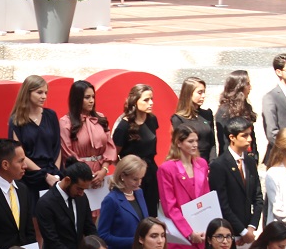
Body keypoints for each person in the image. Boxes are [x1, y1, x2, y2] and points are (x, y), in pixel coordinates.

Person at [97, 155, 149, 249]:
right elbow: (103, 235)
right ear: (122, 176)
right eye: (135, 179)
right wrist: (133, 241)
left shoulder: (139, 193)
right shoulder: (111, 200)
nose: (138, 183)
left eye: (141, 179)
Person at [8, 74, 61, 213]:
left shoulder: (51, 115)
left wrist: (54, 174)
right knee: (35, 223)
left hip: (52, 174)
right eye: (39, 92)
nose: (44, 96)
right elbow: (20, 154)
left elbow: (57, 147)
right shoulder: (16, 120)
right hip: (29, 176)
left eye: (46, 93)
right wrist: (44, 175)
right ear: (27, 92)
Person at [209, 117, 264, 248]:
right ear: (232, 137)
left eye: (250, 135)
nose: (249, 139)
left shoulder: (250, 162)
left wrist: (251, 227)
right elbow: (222, 204)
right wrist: (242, 231)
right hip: (229, 234)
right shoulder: (219, 165)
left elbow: (258, 197)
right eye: (244, 136)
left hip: (248, 232)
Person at [60, 80, 116, 193]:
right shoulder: (65, 122)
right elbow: (68, 153)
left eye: (93, 97)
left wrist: (104, 170)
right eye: (87, 97)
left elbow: (110, 147)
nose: (91, 101)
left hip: (101, 175)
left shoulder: (100, 118)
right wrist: (87, 174)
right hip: (79, 178)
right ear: (77, 99)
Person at [112, 84, 160, 216]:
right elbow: (113, 155)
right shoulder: (124, 126)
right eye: (146, 100)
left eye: (151, 99)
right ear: (135, 101)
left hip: (151, 171)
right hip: (132, 175)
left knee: (151, 211)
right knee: (135, 213)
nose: (151, 103)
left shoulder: (152, 119)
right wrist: (127, 172)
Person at [214, 70, 260, 165]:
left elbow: (252, 135)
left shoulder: (246, 107)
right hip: (232, 162)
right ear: (239, 87)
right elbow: (224, 141)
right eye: (247, 84)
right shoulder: (224, 111)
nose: (250, 88)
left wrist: (255, 156)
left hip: (248, 158)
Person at [170, 76, 218, 162]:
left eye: (204, 92)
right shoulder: (178, 119)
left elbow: (212, 143)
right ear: (189, 93)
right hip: (190, 162)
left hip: (208, 161)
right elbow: (179, 147)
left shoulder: (207, 114)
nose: (203, 96)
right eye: (199, 93)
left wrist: (213, 163)